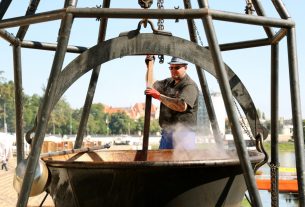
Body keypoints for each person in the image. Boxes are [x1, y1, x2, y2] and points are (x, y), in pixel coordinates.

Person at [145, 56, 199, 149]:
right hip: (167, 134)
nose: (173, 70)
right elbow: (150, 84)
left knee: (183, 162)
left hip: (184, 135)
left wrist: (159, 96)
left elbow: (182, 106)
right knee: (162, 162)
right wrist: (150, 66)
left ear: (185, 68)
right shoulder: (168, 82)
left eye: (177, 67)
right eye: (171, 68)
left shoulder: (189, 86)